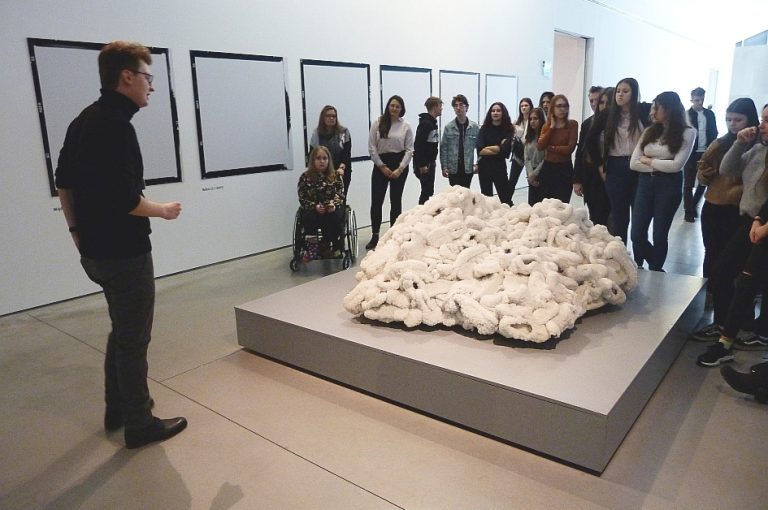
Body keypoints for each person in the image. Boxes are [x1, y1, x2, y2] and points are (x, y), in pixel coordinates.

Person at [54, 41, 187, 449]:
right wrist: (163, 211)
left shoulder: (84, 120)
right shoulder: (116, 127)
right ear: (126, 77)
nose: (152, 86)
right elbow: (126, 200)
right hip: (125, 253)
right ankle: (140, 422)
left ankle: (118, 408)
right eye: (148, 77)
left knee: (123, 328)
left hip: (95, 251)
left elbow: (64, 183)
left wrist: (76, 233)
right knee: (134, 339)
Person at [693, 105, 768, 367]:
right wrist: (739, 143)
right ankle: (728, 333)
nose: (762, 125)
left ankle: (729, 340)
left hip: (760, 226)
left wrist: (761, 224)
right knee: (727, 273)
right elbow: (727, 169)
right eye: (763, 119)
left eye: (767, 120)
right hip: (751, 221)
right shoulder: (757, 149)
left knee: (746, 281)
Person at [629, 91, 696, 271]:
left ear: (669, 109)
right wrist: (660, 165)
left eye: (656, 108)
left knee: (660, 234)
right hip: (645, 184)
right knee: (636, 234)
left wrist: (649, 161)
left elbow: (676, 166)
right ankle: (654, 264)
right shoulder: (649, 131)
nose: (652, 112)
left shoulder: (688, 132)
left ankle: (655, 270)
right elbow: (634, 163)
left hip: (669, 186)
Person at [697, 98, 759, 290]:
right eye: (729, 119)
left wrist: (738, 191)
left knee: (732, 258)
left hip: (739, 210)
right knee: (711, 251)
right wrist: (704, 174)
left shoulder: (757, 146)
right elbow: (702, 170)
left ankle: (727, 297)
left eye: (738, 120)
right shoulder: (720, 143)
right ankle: (709, 293)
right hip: (713, 205)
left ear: (750, 119)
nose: (732, 124)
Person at [586, 78, 651, 244]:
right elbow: (590, 140)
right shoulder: (608, 114)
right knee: (619, 217)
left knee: (639, 217)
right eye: (618, 91)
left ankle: (640, 255)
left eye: (625, 91)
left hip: (639, 166)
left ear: (634, 93)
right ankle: (620, 252)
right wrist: (600, 165)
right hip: (615, 166)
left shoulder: (643, 110)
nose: (620, 95)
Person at [366, 95, 413, 250]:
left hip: (399, 165)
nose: (394, 108)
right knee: (376, 201)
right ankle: (375, 235)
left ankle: (394, 235)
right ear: (388, 106)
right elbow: (372, 147)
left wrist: (400, 168)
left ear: (401, 109)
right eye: (392, 105)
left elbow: (409, 150)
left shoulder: (406, 126)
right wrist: (381, 166)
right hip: (381, 165)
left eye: (397, 106)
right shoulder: (378, 123)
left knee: (396, 201)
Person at [298, 145, 345, 257]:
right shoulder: (305, 177)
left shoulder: (335, 176)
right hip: (313, 209)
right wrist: (314, 206)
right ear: (313, 160)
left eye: (325, 158)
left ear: (329, 160)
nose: (322, 161)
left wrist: (333, 204)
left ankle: (330, 245)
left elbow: (340, 194)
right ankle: (312, 248)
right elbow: (302, 197)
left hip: (330, 208)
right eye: (318, 158)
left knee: (335, 216)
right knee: (308, 217)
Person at [574, 86, 610, 225]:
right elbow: (580, 152)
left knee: (612, 218)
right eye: (591, 101)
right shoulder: (587, 124)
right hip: (591, 176)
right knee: (595, 216)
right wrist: (577, 180)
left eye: (598, 100)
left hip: (610, 174)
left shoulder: (618, 123)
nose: (594, 104)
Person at [683, 87, 718, 222]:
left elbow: (714, 131)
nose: (699, 102)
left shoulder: (709, 114)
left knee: (703, 182)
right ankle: (688, 212)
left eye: (702, 99)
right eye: (697, 100)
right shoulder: (686, 115)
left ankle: (693, 206)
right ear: (692, 99)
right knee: (688, 183)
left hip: (706, 152)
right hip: (690, 153)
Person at [537, 94, 578, 203]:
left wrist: (550, 147)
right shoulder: (546, 126)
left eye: (565, 106)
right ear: (553, 108)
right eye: (559, 106)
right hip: (548, 168)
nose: (562, 109)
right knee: (545, 204)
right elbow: (540, 146)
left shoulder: (572, 124)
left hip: (564, 169)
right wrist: (552, 128)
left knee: (562, 204)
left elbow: (569, 149)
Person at [476, 102, 513, 204]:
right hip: (484, 168)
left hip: (499, 168)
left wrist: (487, 148)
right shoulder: (484, 129)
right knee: (487, 200)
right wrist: (498, 147)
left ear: (503, 113)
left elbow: (505, 151)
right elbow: (480, 150)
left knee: (506, 199)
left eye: (498, 110)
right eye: (493, 111)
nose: (495, 113)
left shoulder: (508, 130)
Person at [310, 105, 352, 195]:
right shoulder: (316, 134)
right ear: (323, 118)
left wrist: (341, 168)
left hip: (341, 171)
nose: (331, 118)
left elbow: (347, 153)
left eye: (334, 116)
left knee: (340, 198)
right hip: (322, 172)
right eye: (328, 116)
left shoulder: (344, 132)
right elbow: (312, 155)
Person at [440, 94, 480, 189]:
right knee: (454, 194)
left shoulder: (474, 127)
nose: (458, 108)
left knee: (466, 193)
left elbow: (480, 148)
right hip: (453, 168)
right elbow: (444, 148)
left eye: (461, 105)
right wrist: (444, 167)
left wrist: (478, 164)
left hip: (468, 168)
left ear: (467, 107)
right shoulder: (449, 127)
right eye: (455, 105)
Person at [413, 96, 443, 204]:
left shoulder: (432, 123)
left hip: (430, 163)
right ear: (434, 107)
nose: (441, 109)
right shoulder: (426, 124)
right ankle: (421, 212)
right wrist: (422, 165)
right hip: (425, 165)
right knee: (426, 192)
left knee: (429, 191)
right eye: (440, 106)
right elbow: (418, 145)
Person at [509, 97, 534, 189]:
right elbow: (511, 137)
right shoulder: (517, 122)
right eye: (522, 106)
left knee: (531, 180)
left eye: (526, 105)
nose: (524, 107)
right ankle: (507, 198)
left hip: (530, 155)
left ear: (530, 107)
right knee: (512, 181)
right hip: (518, 155)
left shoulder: (533, 121)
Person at [524, 107, 546, 205]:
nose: (532, 121)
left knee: (542, 205)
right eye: (530, 119)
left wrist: (535, 174)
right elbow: (526, 158)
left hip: (542, 173)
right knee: (532, 205)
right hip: (531, 174)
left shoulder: (545, 136)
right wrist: (530, 174)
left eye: (535, 118)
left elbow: (546, 158)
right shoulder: (529, 137)